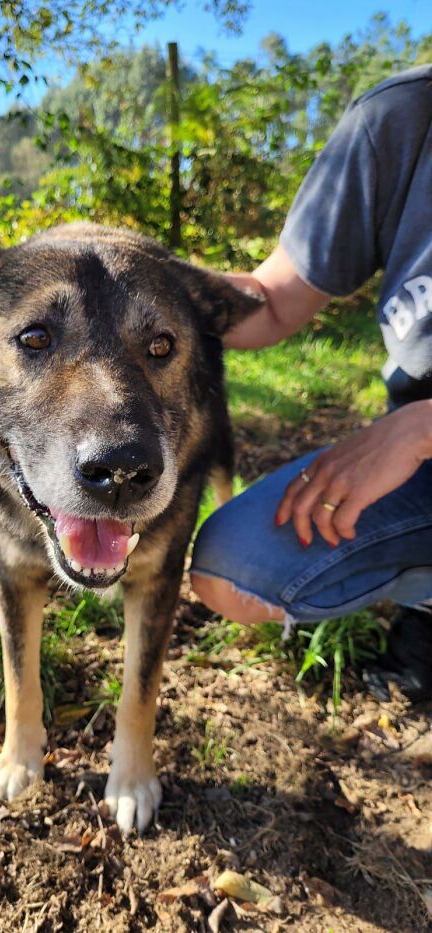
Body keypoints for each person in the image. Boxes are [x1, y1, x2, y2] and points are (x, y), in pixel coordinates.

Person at [190, 64, 432, 702]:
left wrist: (419, 426)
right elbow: (270, 301)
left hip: (420, 437)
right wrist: (141, 274)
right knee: (233, 565)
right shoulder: (401, 118)